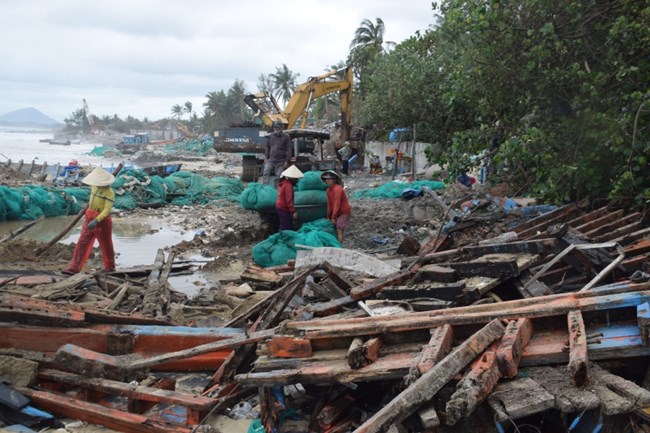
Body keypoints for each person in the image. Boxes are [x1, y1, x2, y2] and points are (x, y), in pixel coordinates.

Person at [63, 167, 116, 274]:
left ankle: (110, 267)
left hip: (102, 219)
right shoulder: (94, 187)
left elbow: (107, 209)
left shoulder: (109, 192)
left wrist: (97, 220)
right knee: (82, 242)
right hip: (89, 215)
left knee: (106, 245)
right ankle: (74, 267)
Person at [321, 170, 351, 244]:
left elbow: (337, 203)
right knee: (335, 229)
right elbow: (330, 204)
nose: (327, 181)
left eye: (329, 179)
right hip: (336, 212)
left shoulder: (338, 189)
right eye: (326, 180)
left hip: (344, 211)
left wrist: (333, 217)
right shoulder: (328, 190)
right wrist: (329, 216)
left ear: (334, 180)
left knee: (339, 229)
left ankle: (339, 246)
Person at [262, 120, 293, 185]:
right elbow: (268, 147)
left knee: (278, 177)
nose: (276, 129)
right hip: (271, 160)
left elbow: (289, 149)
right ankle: (264, 188)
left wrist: (287, 161)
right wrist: (266, 158)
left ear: (281, 128)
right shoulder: (271, 136)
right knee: (265, 172)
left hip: (281, 161)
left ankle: (276, 191)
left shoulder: (286, 137)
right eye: (275, 128)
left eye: (278, 128)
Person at [275, 165, 304, 231]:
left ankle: (282, 235)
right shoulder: (288, 185)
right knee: (286, 226)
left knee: (283, 224)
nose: (297, 180)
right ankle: (285, 238)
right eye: (296, 178)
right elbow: (289, 200)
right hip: (283, 207)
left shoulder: (283, 183)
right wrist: (293, 211)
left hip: (279, 206)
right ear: (292, 178)